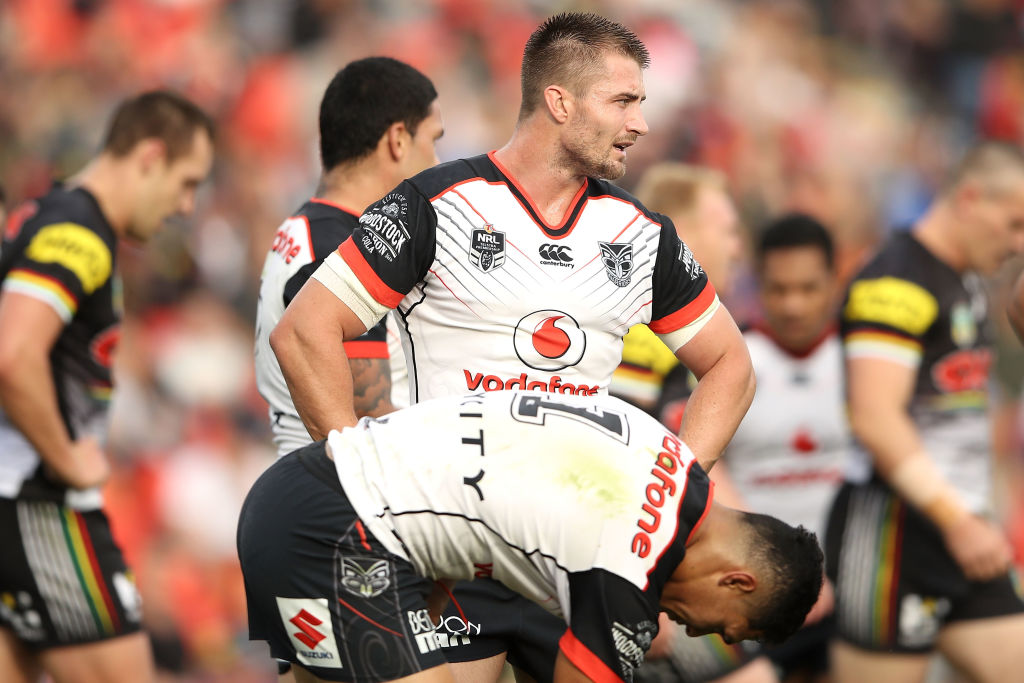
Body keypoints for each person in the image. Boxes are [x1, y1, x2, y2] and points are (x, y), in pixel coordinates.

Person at [270, 12, 755, 682]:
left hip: (572, 553)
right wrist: (365, 488)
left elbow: (730, 365)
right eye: (623, 101)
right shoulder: (436, 203)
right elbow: (304, 330)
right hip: (450, 546)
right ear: (559, 101)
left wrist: (665, 498)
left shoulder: (642, 234)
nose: (640, 123)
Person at [236, 390, 823, 683]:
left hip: (314, 497)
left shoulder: (669, 454)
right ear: (737, 580)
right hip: (335, 532)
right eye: (719, 624)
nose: (694, 628)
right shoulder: (635, 561)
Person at [0, 91, 214, 683]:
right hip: (39, 502)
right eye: (185, 181)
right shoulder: (78, 231)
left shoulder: (54, 213)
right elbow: (13, 356)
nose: (186, 204)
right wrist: (66, 456)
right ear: (149, 156)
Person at [826, 140, 1024, 683]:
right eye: (1013, 224)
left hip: (967, 536)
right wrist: (955, 519)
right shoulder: (896, 280)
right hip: (897, 533)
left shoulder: (967, 278)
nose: (1017, 243)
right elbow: (874, 416)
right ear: (970, 198)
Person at [639, 215, 847, 683]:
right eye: (778, 289)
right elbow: (696, 465)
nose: (793, 304)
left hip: (841, 582)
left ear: (835, 282)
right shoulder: (725, 360)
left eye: (808, 288)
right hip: (744, 582)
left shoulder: (863, 360)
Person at [254, 57, 443, 457]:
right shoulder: (340, 246)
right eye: (433, 139)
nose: (437, 161)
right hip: (341, 499)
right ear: (398, 140)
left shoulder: (313, 228)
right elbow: (364, 414)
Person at [609, 163, 744, 416]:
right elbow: (619, 441)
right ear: (677, 234)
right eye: (728, 232)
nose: (738, 249)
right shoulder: (640, 336)